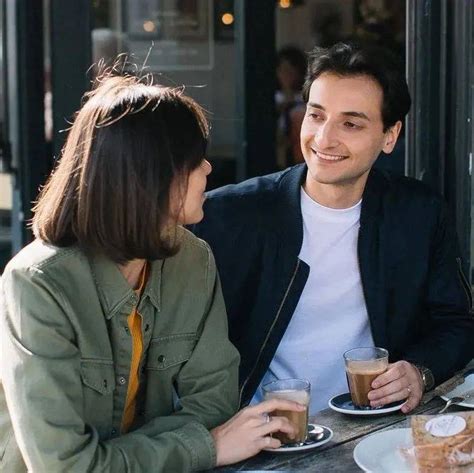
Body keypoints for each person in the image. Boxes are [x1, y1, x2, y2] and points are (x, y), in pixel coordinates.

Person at [0, 72, 305, 472]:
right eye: (194, 161)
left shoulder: (193, 259)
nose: (209, 168)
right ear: (150, 178)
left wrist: (119, 458)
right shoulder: (37, 284)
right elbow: (66, 466)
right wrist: (204, 447)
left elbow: (214, 404)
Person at [193, 42, 474, 416]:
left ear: (390, 136)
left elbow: (457, 324)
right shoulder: (228, 214)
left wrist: (420, 371)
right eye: (316, 115)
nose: (324, 139)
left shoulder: (419, 214)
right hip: (258, 436)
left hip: (370, 426)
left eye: (351, 123)